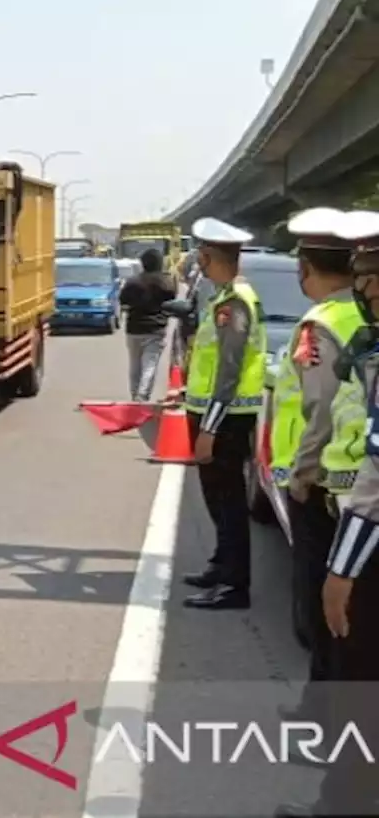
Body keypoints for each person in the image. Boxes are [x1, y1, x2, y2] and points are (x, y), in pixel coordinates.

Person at [277, 209, 379, 818]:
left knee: (357, 677)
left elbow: (374, 471)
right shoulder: (360, 332)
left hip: (357, 522)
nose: (363, 287)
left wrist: (341, 570)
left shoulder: (324, 323)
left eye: (372, 274)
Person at [268, 208, 365, 743]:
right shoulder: (362, 316)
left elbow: (320, 411)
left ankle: (326, 728)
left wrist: (300, 479)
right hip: (357, 488)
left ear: (306, 268)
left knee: (324, 614)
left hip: (331, 488)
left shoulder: (322, 324)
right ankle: (320, 716)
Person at [177, 217, 267, 610]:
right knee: (215, 498)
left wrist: (209, 429)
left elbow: (229, 371)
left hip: (226, 419)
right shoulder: (222, 297)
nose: (198, 261)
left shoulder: (234, 304)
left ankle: (234, 586)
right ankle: (220, 565)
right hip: (211, 412)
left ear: (208, 255)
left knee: (228, 503)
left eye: (201, 254)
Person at [119, 248, 176, 401]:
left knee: (135, 365)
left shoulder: (132, 282)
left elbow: (123, 302)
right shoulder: (167, 283)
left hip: (134, 329)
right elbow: (172, 304)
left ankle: (134, 394)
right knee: (150, 364)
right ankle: (142, 395)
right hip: (156, 329)